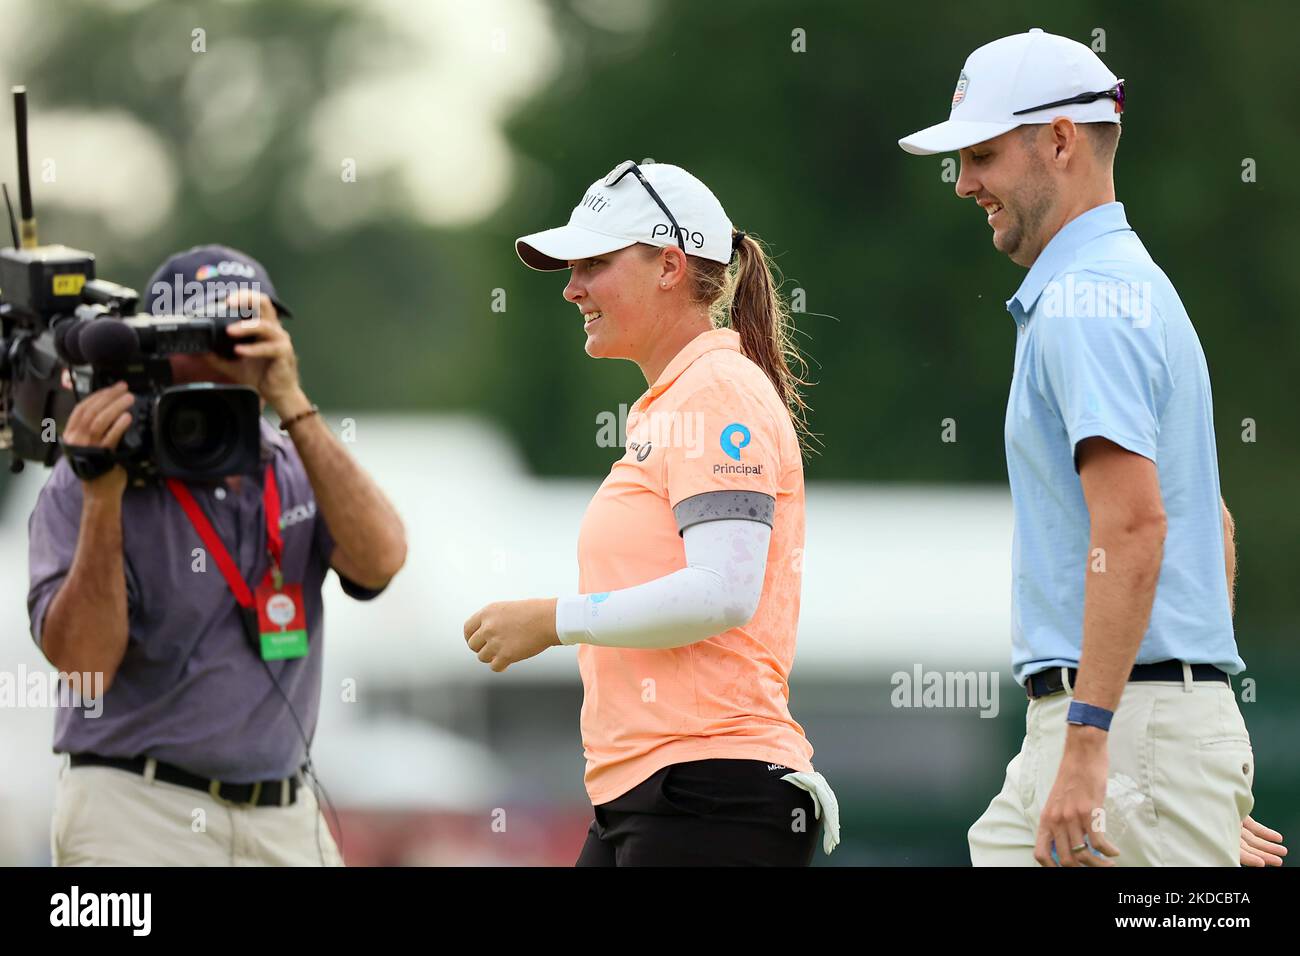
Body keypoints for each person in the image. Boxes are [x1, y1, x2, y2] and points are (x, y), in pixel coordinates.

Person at [898, 29, 1285, 867]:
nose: (966, 184)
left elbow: (1138, 529)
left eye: (984, 156)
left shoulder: (1085, 300)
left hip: (1115, 734)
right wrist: (1190, 740)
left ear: (1061, 141)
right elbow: (1203, 524)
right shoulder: (1124, 285)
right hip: (1128, 734)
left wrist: (1111, 746)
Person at [462, 161, 840, 866]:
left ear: (669, 265)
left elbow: (722, 591)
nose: (572, 288)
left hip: (710, 790)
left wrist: (551, 620)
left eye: (594, 264)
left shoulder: (717, 393)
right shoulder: (677, 401)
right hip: (655, 793)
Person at [28, 244, 407, 866]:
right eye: (212, 335)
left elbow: (382, 561)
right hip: (138, 809)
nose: (237, 354)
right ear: (157, 347)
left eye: (251, 330)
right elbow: (86, 666)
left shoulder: (294, 457)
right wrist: (103, 497)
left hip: (283, 812)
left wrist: (293, 402)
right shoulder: (90, 474)